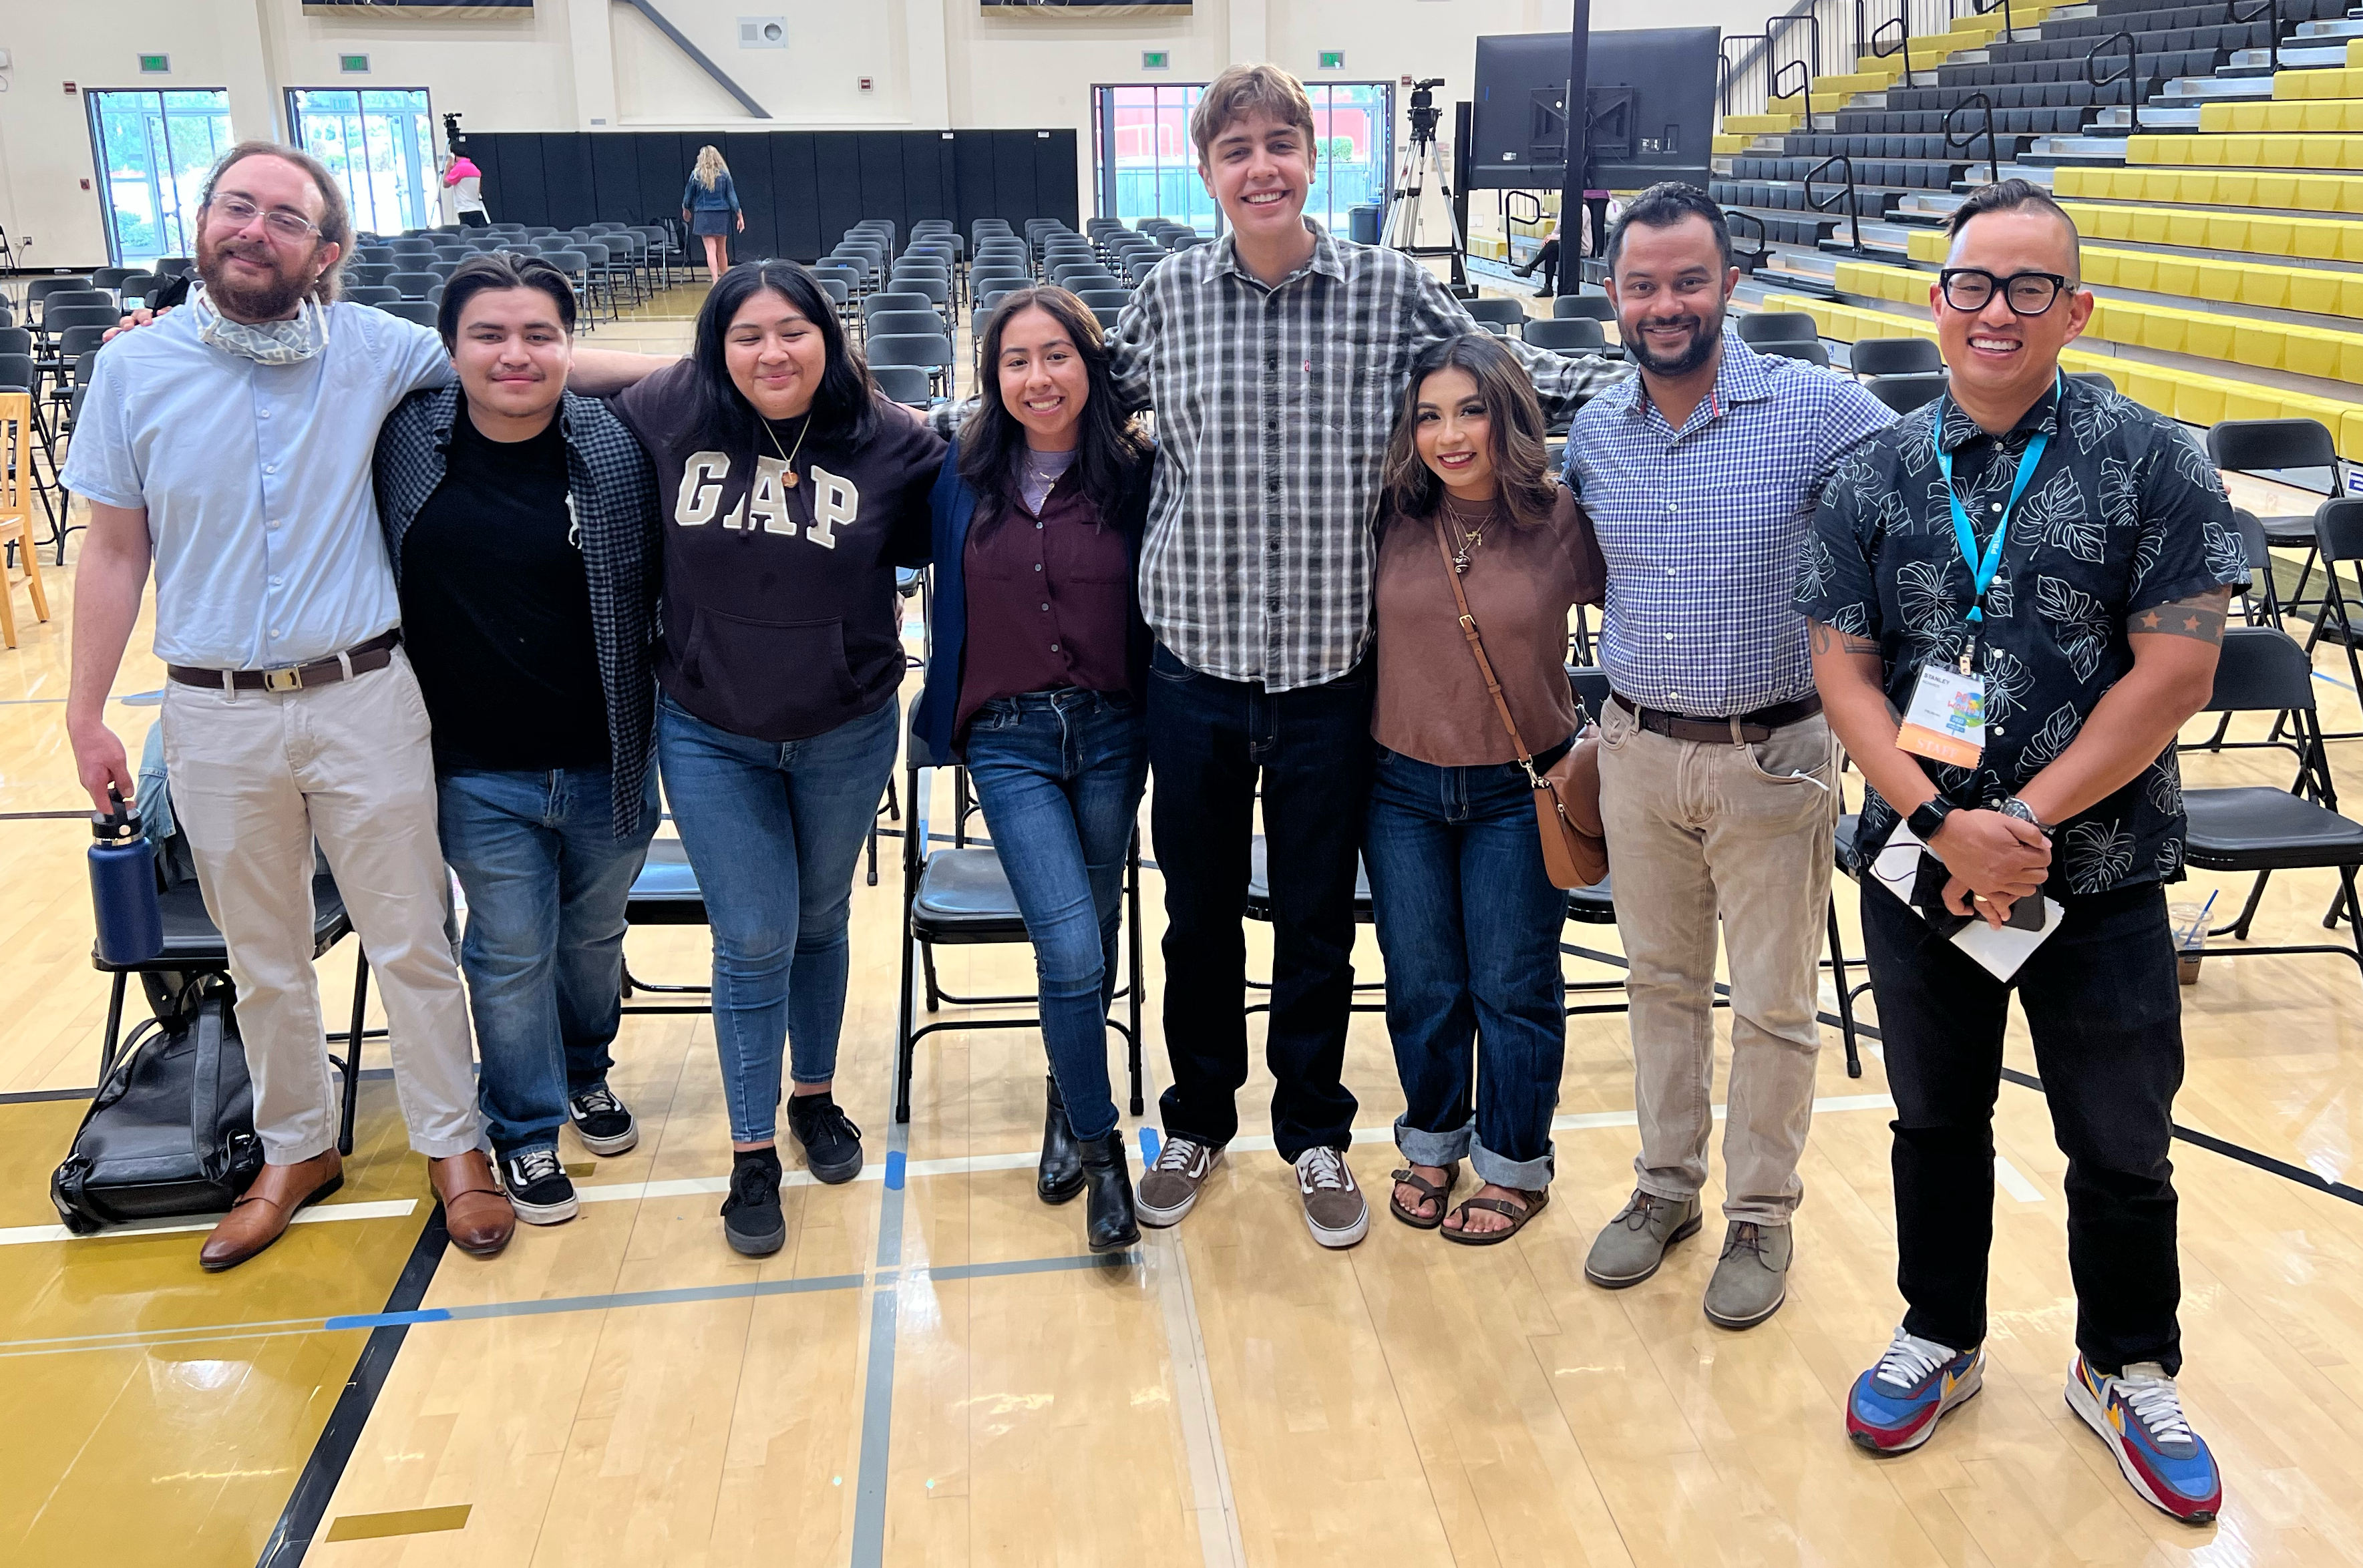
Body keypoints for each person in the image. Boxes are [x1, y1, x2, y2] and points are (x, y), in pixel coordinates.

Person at [65, 142, 669, 1273]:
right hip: (213, 708)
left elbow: (539, 360)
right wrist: (88, 713)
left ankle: (456, 1145)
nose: (254, 229)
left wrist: (713, 370)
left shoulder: (380, 350)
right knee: (263, 953)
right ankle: (296, 1147)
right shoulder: (131, 372)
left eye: (284, 218)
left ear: (326, 251)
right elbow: (110, 552)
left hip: (365, 693)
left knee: (412, 936)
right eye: (235, 207)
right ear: (203, 224)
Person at [1110, 62, 1624, 1251]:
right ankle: (1194, 1119)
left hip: (1333, 677)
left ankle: (1315, 1131)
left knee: (1314, 921)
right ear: (1207, 171)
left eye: (1280, 141)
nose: (1260, 165)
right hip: (1190, 668)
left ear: (1310, 156)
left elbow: (1505, 382)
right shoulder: (1165, 296)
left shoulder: (1389, 292)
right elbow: (1076, 405)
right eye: (1234, 147)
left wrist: (1655, 390)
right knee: (1195, 913)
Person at [1800, 179, 2243, 1523]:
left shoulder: (2154, 457)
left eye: (2028, 286)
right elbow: (1842, 672)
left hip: (2095, 873)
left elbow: (2170, 674)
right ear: (1934, 301)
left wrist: (2024, 825)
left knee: (2118, 1140)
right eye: (1972, 284)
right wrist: (1943, 827)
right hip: (1915, 863)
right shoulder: (1870, 471)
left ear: (2075, 306)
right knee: (1934, 1120)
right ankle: (1939, 1332)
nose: (1995, 310)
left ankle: (2124, 1364)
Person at [1562, 182, 1894, 1328]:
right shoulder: (1597, 430)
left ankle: (1759, 1209)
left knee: (1769, 1001)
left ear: (1727, 287)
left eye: (1686, 281)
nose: (1665, 304)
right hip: (1635, 748)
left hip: (1775, 751)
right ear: (1612, 296)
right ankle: (1665, 1188)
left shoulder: (1818, 408)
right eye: (1642, 285)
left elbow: (1930, 499)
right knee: (1655, 986)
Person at [613, 259, 944, 1256]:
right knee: (752, 936)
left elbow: (935, 553)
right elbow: (565, 369)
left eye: (793, 331)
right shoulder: (675, 409)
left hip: (844, 727)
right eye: (746, 333)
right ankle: (751, 1153)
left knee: (819, 919)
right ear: (716, 346)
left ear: (830, 337)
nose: (771, 351)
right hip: (711, 729)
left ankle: (815, 1098)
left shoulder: (892, 441)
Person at [373, 252, 661, 1226]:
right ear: (447, 348)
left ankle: (587, 1071)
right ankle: (526, 1128)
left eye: (539, 334)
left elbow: (687, 376)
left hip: (607, 755)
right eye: (488, 335)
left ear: (568, 346)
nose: (515, 355)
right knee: (507, 951)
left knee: (591, 940)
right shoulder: (406, 438)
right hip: (474, 769)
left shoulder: (615, 448)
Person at [912, 286, 1155, 1254]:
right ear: (992, 376)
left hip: (1111, 731)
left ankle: (1067, 1097)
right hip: (1007, 739)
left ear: (1087, 366)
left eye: (1056, 355)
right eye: (1015, 360)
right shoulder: (956, 475)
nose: (1037, 377)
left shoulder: (1136, 472)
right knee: (1071, 946)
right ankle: (1104, 1161)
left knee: (1092, 931)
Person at [1367, 333, 1604, 1244]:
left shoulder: (1561, 522)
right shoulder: (1388, 513)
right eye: (1428, 415)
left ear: (1507, 415)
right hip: (1400, 789)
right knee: (1423, 983)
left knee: (1512, 985)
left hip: (1521, 789)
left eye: (1469, 410)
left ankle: (1512, 1164)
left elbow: (1644, 615)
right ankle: (1430, 1139)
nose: (1449, 434)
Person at [682, 146, 743, 282]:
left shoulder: (696, 175)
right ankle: (724, 279)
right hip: (722, 214)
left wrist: (686, 209)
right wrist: (739, 215)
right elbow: (732, 197)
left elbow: (688, 196)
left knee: (710, 250)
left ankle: (715, 280)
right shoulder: (725, 174)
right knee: (722, 249)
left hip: (703, 214)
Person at [1512, 220, 1560, 299]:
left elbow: (1573, 235)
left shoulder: (1583, 211)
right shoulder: (1562, 210)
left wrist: (1555, 238)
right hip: (1564, 244)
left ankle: (1530, 268)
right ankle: (1548, 288)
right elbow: (1556, 231)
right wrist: (1549, 238)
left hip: (1580, 247)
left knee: (1551, 247)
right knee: (1550, 253)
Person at [444, 148, 488, 227]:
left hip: (465, 210)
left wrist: (448, 167)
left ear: (454, 156)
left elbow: (446, 184)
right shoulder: (475, 168)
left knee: (467, 235)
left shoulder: (459, 169)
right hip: (477, 208)